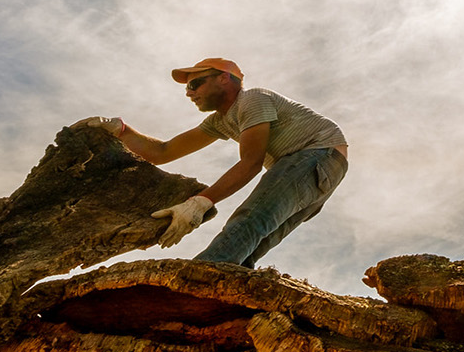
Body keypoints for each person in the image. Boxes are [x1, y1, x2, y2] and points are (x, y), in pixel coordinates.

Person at [75, 58, 349, 268]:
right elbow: (163, 152)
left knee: (251, 220)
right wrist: (120, 130)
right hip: (321, 170)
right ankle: (223, 293)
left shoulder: (252, 99)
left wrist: (199, 203)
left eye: (195, 84)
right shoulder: (220, 120)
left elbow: (251, 163)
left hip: (316, 155)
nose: (189, 93)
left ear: (224, 79)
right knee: (255, 243)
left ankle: (194, 282)